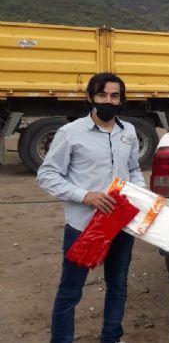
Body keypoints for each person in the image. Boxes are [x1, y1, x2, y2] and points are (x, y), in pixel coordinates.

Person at [38, 72, 146, 343]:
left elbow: (133, 168)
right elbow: (48, 175)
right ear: (91, 97)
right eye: (102, 95)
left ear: (122, 100)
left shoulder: (128, 132)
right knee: (70, 291)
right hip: (83, 226)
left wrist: (137, 192)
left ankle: (111, 336)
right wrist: (85, 195)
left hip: (119, 225)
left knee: (118, 286)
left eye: (114, 96)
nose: (108, 101)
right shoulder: (70, 133)